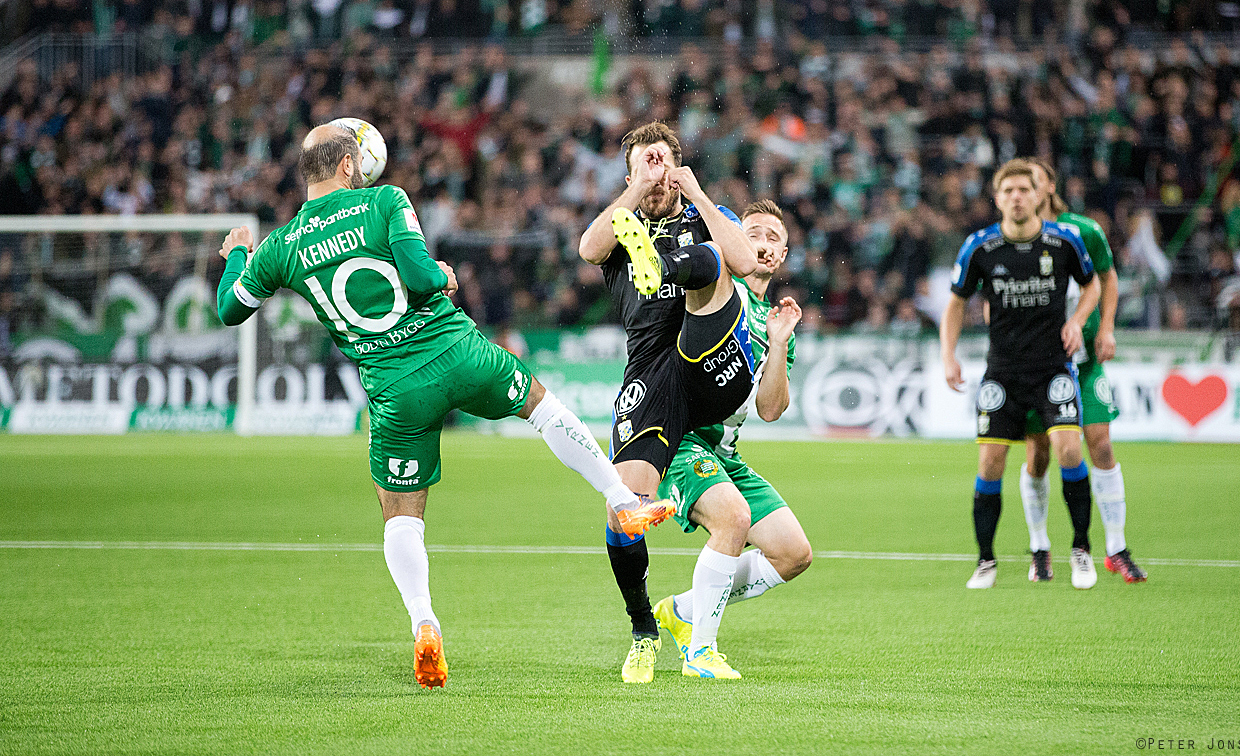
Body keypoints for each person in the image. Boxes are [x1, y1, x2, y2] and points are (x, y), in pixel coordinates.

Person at [214, 123, 675, 689]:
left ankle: (425, 623)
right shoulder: (384, 200)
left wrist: (238, 255)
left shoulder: (281, 246)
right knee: (543, 407)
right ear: (347, 167)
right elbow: (418, 275)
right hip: (456, 353)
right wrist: (445, 276)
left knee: (401, 515)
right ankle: (621, 500)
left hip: (394, 389)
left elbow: (230, 311)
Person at [578, 120, 758, 683]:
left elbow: (747, 262)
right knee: (624, 514)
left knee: (713, 261)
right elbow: (587, 249)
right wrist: (637, 186)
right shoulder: (621, 224)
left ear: (679, 168)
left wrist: (697, 193)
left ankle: (664, 269)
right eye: (644, 165)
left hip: (709, 359)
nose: (657, 176)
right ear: (630, 175)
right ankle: (644, 629)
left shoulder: (706, 212)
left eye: (663, 163)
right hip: (652, 377)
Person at [651, 199, 813, 679]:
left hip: (725, 453)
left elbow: (770, 410)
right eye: (752, 233)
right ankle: (701, 651)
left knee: (793, 553)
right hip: (679, 439)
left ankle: (683, 611)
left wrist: (779, 341)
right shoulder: (717, 287)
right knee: (734, 519)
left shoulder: (777, 321)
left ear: (782, 256)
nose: (761, 244)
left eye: (772, 238)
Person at [939, 160, 1102, 590]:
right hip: (1003, 372)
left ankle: (1081, 550)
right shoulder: (980, 248)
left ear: (1038, 195)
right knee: (990, 462)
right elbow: (955, 302)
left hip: (1053, 369)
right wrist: (948, 355)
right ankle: (985, 561)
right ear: (997, 199)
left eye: (1023, 190)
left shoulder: (1064, 241)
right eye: (1008, 190)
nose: (1016, 197)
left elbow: (1093, 284)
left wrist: (1078, 321)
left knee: (1069, 450)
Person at [1020, 159, 1147, 584]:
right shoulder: (1012, 239)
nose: (1023, 191)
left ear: (1049, 187)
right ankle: (1040, 547)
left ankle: (1116, 548)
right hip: (1038, 367)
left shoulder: (1084, 230)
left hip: (1085, 363)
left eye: (1033, 182)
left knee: (1101, 445)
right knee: (1039, 455)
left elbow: (1107, 279)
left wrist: (1106, 327)